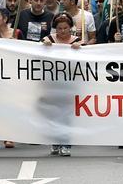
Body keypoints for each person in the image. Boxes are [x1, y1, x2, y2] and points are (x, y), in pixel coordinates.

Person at [42, 12, 82, 157]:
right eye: (59, 28)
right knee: (53, 114)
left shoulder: (77, 41)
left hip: (70, 86)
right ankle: (55, 141)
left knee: (67, 115)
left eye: (65, 28)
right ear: (55, 29)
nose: (63, 31)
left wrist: (81, 47)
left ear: (70, 28)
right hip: (51, 85)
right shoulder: (48, 40)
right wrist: (44, 45)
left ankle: (65, 143)